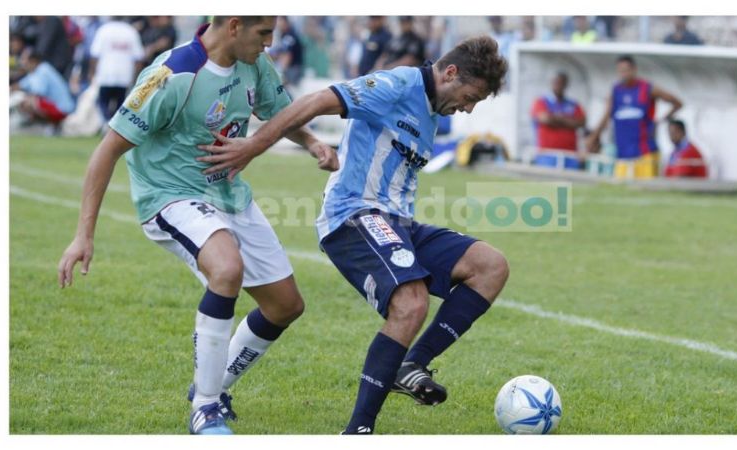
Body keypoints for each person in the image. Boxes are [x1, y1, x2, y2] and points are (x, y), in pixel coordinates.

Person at [196, 35, 510, 435]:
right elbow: (315, 101)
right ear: (450, 73)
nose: (468, 108)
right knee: (411, 302)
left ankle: (411, 364)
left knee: (490, 266)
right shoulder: (396, 85)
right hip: (353, 215)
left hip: (399, 223)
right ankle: (358, 431)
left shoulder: (432, 108)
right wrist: (254, 146)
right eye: (470, 97)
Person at [56, 16, 339, 435]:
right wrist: (83, 235)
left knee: (285, 306)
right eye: (264, 33)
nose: (270, 43)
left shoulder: (255, 64)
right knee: (226, 268)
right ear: (234, 26)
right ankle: (205, 409)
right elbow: (107, 149)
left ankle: (212, 387)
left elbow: (282, 113)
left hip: (230, 195)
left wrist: (313, 141)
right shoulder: (173, 76)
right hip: (170, 195)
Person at [587, 55, 683, 179]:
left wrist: (660, 121)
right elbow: (606, 116)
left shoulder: (647, 89)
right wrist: (594, 137)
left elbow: (677, 103)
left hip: (645, 153)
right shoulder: (616, 91)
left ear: (634, 70)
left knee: (645, 188)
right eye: (620, 71)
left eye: (626, 70)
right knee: (621, 187)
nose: (623, 74)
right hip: (622, 153)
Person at [89, 17, 145, 125]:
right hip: (124, 75)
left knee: (103, 103)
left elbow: (94, 54)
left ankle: (107, 123)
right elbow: (138, 57)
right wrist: (136, 77)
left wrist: (92, 73)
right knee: (120, 105)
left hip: (106, 74)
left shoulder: (104, 30)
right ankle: (114, 125)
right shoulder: (130, 31)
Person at [530, 72, 586, 169]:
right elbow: (546, 119)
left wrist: (556, 119)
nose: (558, 86)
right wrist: (568, 120)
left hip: (570, 156)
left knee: (569, 179)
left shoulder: (573, 104)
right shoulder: (541, 101)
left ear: (566, 85)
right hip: (547, 155)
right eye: (556, 82)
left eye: (561, 83)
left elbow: (581, 122)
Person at [11, 48, 76, 126]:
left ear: (33, 61)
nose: (22, 62)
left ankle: (49, 126)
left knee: (27, 101)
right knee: (22, 98)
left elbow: (38, 94)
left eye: (24, 59)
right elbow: (19, 85)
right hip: (57, 108)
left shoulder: (43, 70)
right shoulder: (34, 72)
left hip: (62, 110)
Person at [269, 16, 304, 87]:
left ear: (285, 22)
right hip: (289, 69)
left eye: (279, 21)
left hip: (293, 70)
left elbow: (287, 55)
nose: (277, 24)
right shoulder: (283, 34)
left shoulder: (290, 35)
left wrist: (281, 72)